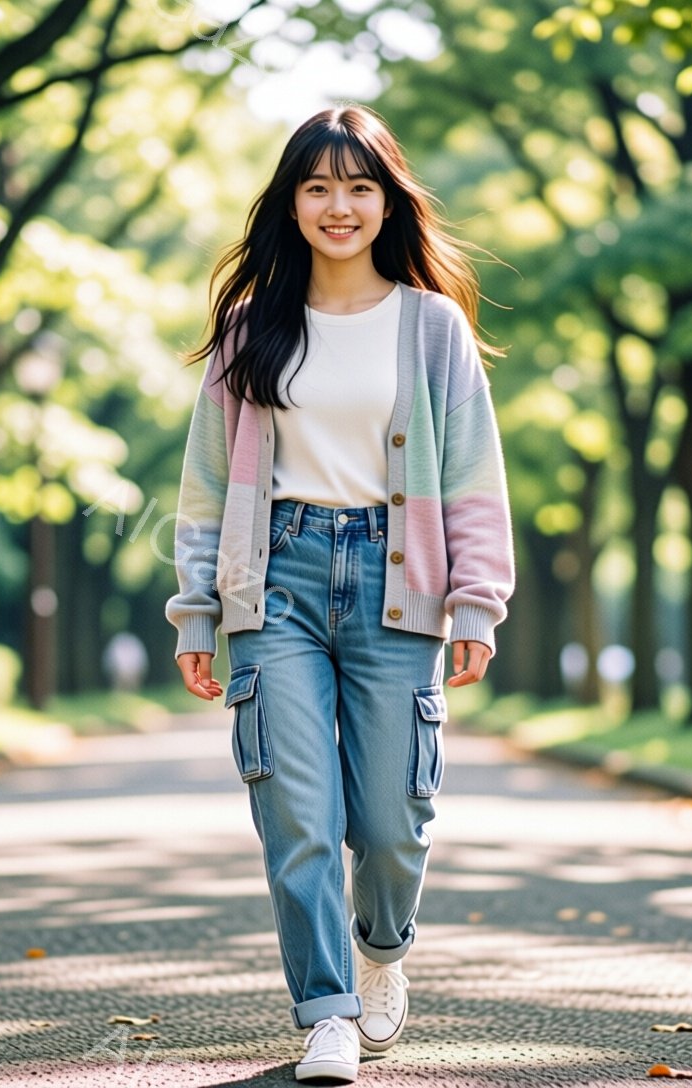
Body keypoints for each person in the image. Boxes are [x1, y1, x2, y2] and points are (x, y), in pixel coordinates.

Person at [164, 104, 515, 1084]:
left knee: (397, 821)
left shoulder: (431, 325)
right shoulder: (252, 328)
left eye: (359, 185)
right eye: (316, 186)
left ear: (387, 200)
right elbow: (204, 484)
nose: (338, 205)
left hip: (400, 584)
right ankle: (326, 1009)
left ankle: (382, 946)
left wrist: (477, 599)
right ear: (291, 202)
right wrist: (198, 607)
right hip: (277, 576)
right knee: (298, 811)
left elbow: (474, 473)